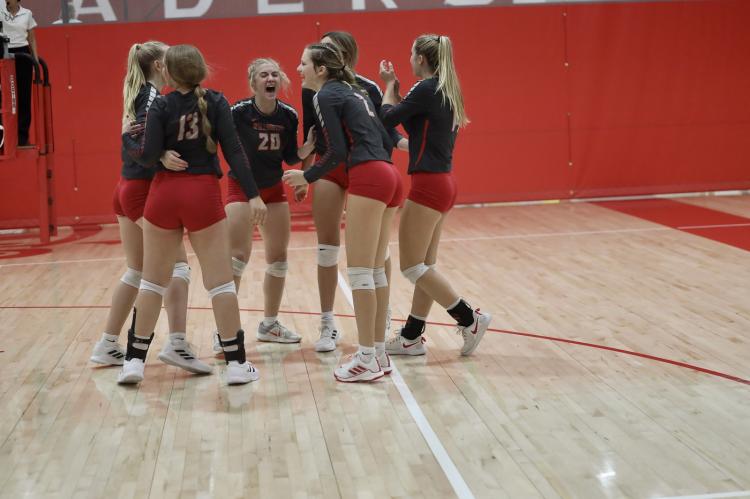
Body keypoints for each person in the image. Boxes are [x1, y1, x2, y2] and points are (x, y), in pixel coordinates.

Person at [121, 44, 266, 385]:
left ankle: (133, 362)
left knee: (152, 282)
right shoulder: (216, 102)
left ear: (168, 73)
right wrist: (255, 195)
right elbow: (234, 151)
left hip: (164, 194)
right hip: (202, 194)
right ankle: (235, 364)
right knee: (220, 284)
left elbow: (144, 155)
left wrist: (131, 140)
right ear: (201, 70)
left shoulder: (159, 103)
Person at [89, 41, 211, 376]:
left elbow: (133, 139)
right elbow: (140, 143)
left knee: (137, 271)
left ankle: (107, 344)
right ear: (160, 65)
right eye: (169, 58)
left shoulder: (139, 93)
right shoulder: (153, 97)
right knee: (177, 269)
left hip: (126, 188)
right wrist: (159, 156)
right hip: (142, 192)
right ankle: (176, 343)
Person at [284, 42, 402, 382]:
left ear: (321, 69)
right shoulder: (355, 91)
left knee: (361, 273)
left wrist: (306, 175)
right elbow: (384, 136)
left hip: (367, 175)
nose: (298, 69)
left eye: (303, 63)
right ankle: (379, 353)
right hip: (388, 174)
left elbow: (335, 151)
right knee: (376, 271)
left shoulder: (325, 96)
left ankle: (366, 358)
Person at [379, 34, 491, 357]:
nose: (410, 59)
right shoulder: (444, 89)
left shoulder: (426, 87)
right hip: (443, 182)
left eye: (411, 54)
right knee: (425, 266)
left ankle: (470, 318)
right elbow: (416, 130)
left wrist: (388, 86)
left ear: (421, 60)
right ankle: (412, 336)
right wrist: (400, 95)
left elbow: (388, 117)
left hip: (428, 185)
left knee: (412, 267)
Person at [212, 57, 315, 352]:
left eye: (274, 74)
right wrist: (251, 193)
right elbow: (232, 154)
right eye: (263, 75)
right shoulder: (238, 113)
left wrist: (305, 152)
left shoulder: (288, 115)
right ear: (253, 82)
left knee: (279, 259)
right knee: (237, 258)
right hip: (242, 188)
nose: (270, 78)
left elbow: (289, 157)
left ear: (279, 81)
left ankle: (269, 324)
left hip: (272, 189)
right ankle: (224, 331)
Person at [2, 0, 38, 145]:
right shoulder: (0, 10)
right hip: (5, 53)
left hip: (23, 53)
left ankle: (22, 136)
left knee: (24, 96)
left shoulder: (27, 13)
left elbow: (32, 39)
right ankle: (4, 135)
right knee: (5, 95)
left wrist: (35, 62)